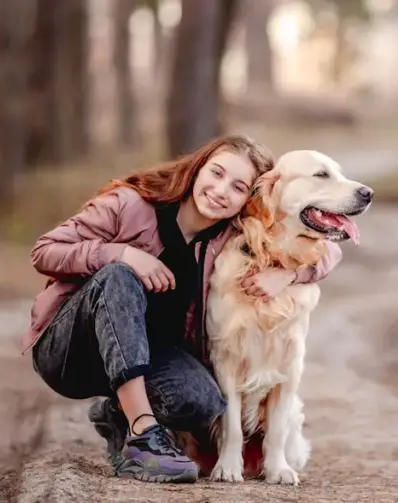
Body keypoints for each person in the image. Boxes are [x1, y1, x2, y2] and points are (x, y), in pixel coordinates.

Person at [22, 134, 343, 483]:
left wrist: (288, 273)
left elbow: (328, 252)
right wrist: (122, 254)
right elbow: (45, 251)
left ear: (249, 200)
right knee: (118, 278)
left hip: (143, 356)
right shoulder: (130, 204)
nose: (221, 191)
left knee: (203, 402)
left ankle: (119, 413)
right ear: (197, 167)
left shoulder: (230, 235)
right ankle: (144, 436)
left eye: (237, 187)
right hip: (71, 350)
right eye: (216, 173)